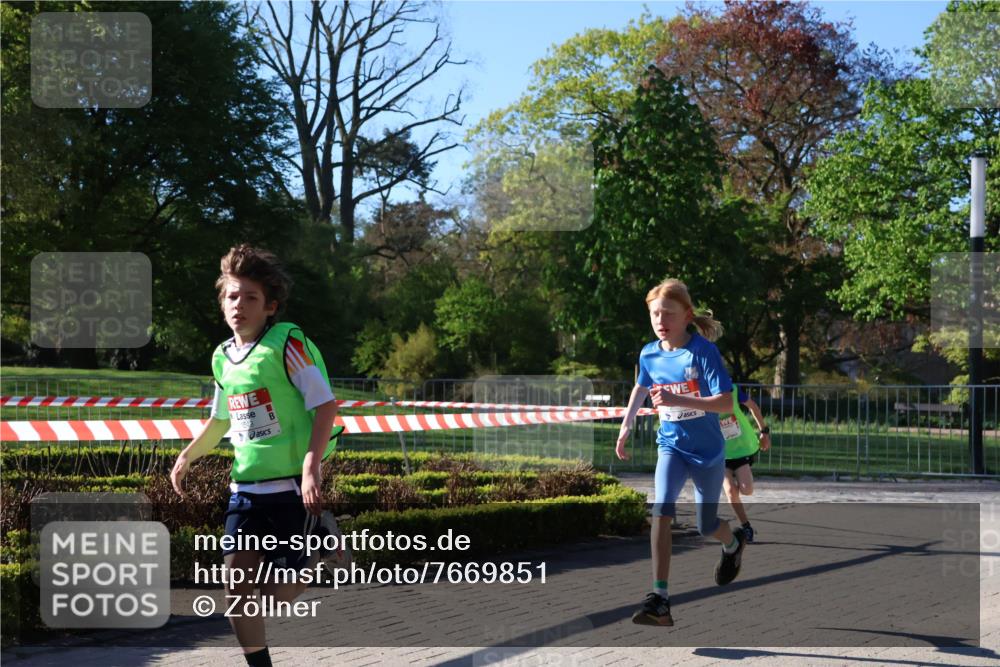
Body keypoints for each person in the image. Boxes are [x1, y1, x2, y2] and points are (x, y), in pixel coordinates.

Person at [171, 244, 345, 667]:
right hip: (245, 491)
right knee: (235, 592)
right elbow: (219, 421)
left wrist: (310, 467)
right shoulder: (222, 358)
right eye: (232, 296)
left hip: (290, 491)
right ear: (222, 303)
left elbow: (325, 406)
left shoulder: (288, 345)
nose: (239, 305)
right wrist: (187, 457)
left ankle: (320, 547)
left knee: (280, 592)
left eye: (250, 297)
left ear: (270, 306)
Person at [616, 278, 747, 627]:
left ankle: (732, 542)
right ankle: (659, 598)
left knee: (706, 525)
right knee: (661, 508)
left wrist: (677, 399)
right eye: (655, 314)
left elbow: (724, 403)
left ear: (687, 316)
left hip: (706, 451)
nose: (661, 321)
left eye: (668, 314)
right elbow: (641, 386)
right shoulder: (649, 352)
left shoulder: (703, 352)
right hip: (671, 444)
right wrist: (627, 423)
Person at [720, 388, 771, 543]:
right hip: (720, 453)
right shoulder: (699, 394)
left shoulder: (732, 390)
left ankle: (739, 481)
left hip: (741, 449)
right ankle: (746, 526)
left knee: (747, 490)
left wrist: (764, 432)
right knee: (730, 491)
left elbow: (753, 406)